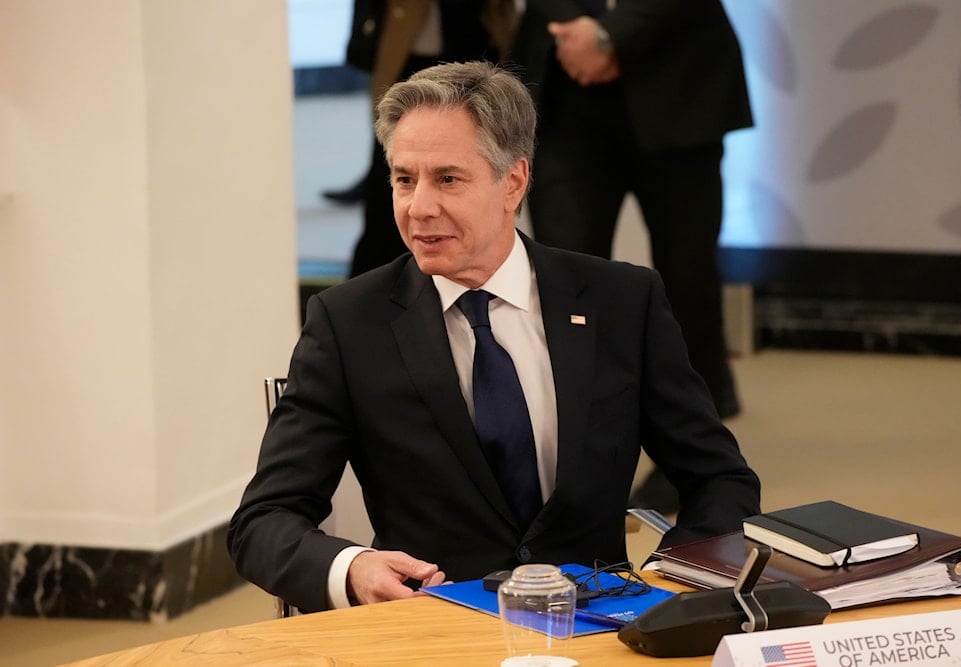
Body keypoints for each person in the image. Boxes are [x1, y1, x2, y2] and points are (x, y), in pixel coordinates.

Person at [228, 61, 760, 613]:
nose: (418, 208)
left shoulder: (621, 302)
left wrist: (672, 584)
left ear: (514, 183)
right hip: (433, 631)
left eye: (448, 179)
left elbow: (720, 478)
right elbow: (263, 521)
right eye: (404, 179)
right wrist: (352, 567)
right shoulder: (347, 323)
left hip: (600, 627)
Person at [508, 0, 754, 513]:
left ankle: (688, 453)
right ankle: (573, 448)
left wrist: (611, 34)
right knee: (560, 276)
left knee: (687, 280)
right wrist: (575, 32)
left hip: (680, 77)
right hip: (562, 84)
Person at [329, 0, 517, 278]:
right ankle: (367, 300)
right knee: (386, 203)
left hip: (474, 46)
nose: (423, 208)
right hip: (409, 50)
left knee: (473, 180)